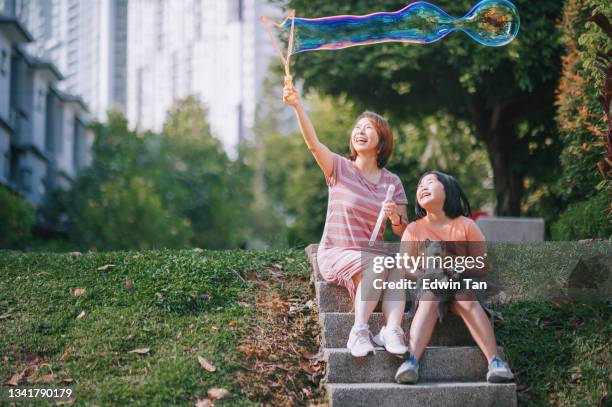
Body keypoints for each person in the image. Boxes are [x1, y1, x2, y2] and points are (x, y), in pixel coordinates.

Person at [283, 82, 409, 357]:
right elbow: (314, 145)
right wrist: (297, 106)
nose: (360, 131)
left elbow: (402, 230)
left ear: (382, 142)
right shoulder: (340, 168)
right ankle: (359, 331)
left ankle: (392, 330)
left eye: (368, 128)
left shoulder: (393, 182)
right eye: (357, 128)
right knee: (379, 261)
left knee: (396, 262)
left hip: (370, 257)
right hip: (336, 252)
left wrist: (394, 215)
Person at [394, 171, 514, 384]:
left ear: (448, 189)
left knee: (465, 297)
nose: (422, 187)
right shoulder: (413, 229)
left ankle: (495, 361)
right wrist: (425, 271)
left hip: (462, 285)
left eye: (430, 182)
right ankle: (411, 360)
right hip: (429, 287)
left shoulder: (466, 225)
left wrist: (455, 265)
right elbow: (404, 268)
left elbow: (483, 265)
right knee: (429, 298)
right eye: (419, 185)